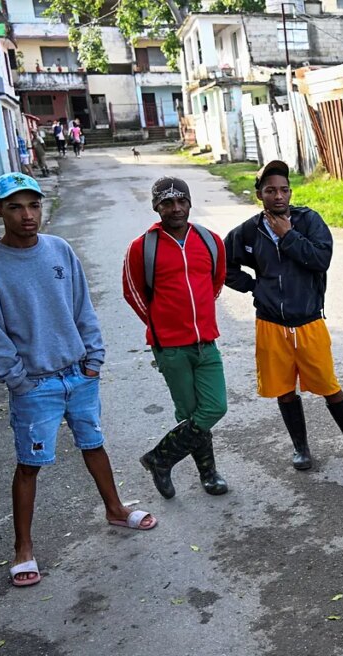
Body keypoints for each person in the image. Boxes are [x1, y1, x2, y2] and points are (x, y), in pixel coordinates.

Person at [0, 173, 157, 588]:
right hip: (35, 386)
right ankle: (23, 548)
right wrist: (18, 380)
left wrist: (93, 359)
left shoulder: (59, 250)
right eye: (15, 206)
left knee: (94, 443)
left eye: (33, 205)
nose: (27, 215)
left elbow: (82, 307)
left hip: (79, 375)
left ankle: (115, 509)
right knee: (30, 464)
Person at [224, 160, 343, 470]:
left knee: (329, 387)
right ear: (259, 195)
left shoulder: (308, 221)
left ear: (290, 192)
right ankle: (301, 448)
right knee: (284, 390)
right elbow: (222, 264)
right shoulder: (248, 231)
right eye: (270, 191)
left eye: (283, 190)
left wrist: (289, 235)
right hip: (270, 324)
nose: (278, 196)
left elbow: (321, 259)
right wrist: (254, 287)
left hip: (308, 321)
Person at [123, 177, 229, 499]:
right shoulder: (143, 247)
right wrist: (161, 326)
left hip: (205, 343)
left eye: (181, 201)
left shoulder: (211, 241)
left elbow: (215, 283)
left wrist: (197, 318)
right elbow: (133, 292)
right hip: (170, 348)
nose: (176, 208)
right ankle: (209, 475)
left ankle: (160, 458)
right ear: (156, 207)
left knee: (214, 407)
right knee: (189, 413)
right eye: (167, 202)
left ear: (190, 203)